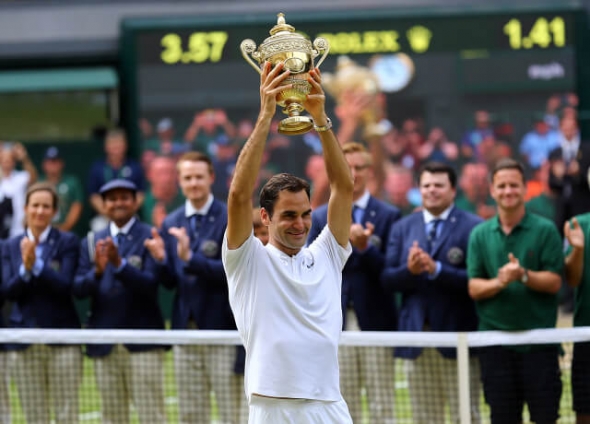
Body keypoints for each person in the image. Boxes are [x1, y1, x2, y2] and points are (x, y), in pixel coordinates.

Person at [222, 63, 355, 422]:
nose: (301, 224)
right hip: (272, 408)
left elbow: (344, 188)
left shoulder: (327, 253)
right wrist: (266, 114)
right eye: (289, 216)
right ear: (264, 217)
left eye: (306, 214)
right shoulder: (246, 259)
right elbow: (237, 196)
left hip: (328, 406)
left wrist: (321, 119)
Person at [381, 162, 482, 423]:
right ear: (419, 189)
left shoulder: (473, 226)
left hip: (458, 336)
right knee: (425, 416)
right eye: (426, 185)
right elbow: (388, 280)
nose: (432, 190)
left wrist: (438, 269)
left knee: (466, 414)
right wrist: (411, 271)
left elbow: (476, 280)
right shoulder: (403, 227)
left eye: (439, 185)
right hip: (417, 338)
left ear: (452, 190)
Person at [308, 141, 400, 424]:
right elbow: (311, 269)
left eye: (360, 168)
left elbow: (390, 272)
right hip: (333, 322)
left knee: (381, 402)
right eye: (348, 167)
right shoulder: (320, 216)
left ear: (370, 172)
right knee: (341, 401)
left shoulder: (389, 215)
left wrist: (364, 248)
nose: (354, 174)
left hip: (375, 319)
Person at [144, 151, 239, 424]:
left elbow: (233, 273)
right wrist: (162, 260)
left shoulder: (229, 217)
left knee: (230, 411)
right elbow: (170, 281)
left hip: (222, 329)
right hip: (185, 330)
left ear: (211, 177)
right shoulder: (171, 222)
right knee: (190, 413)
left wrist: (191, 259)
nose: (194, 183)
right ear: (180, 181)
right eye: (187, 177)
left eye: (199, 176)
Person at [467, 158, 563, 424]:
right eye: (502, 186)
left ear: (524, 189)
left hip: (540, 345)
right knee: (502, 418)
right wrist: (501, 281)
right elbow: (474, 287)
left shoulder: (545, 230)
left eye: (514, 185)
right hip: (495, 345)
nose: (508, 191)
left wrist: (522, 275)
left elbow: (555, 282)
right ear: (492, 190)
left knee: (546, 417)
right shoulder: (479, 234)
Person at [73, 179, 166, 423]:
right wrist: (98, 272)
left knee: (152, 416)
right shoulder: (92, 241)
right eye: (112, 199)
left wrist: (119, 265)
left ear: (135, 202)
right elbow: (79, 289)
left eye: (125, 197)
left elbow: (151, 284)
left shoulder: (151, 236)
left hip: (144, 343)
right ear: (104, 205)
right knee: (112, 418)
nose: (118, 203)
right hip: (105, 343)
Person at [1, 182, 81, 423]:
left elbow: (65, 286)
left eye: (46, 206)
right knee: (34, 416)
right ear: (26, 208)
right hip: (24, 340)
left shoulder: (68, 242)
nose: (40, 211)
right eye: (35, 205)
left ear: (54, 211)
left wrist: (36, 265)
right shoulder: (9, 246)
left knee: (67, 414)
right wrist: (25, 270)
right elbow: (8, 291)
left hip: (63, 341)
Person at [87, 129, 145, 231]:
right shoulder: (98, 168)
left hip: (130, 216)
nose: (116, 148)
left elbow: (140, 194)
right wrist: (110, 213)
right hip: (104, 217)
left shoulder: (134, 166)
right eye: (113, 145)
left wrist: (126, 213)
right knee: (98, 227)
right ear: (106, 147)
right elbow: (94, 196)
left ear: (125, 146)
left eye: (119, 145)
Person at [563, 215, 590, 424]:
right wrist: (578, 250)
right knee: (585, 411)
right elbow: (571, 279)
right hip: (586, 336)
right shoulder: (577, 225)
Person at [40, 146, 84, 232]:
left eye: (55, 161)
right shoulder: (39, 183)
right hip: (43, 230)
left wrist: (65, 228)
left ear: (62, 163)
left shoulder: (72, 182)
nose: (53, 165)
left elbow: (77, 206)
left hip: (67, 231)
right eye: (50, 162)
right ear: (44, 164)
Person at [0, 142, 38, 237]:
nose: (6, 162)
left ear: (14, 162)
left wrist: (24, 158)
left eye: (9, 160)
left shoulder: (20, 177)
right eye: (3, 159)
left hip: (17, 230)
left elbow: (33, 177)